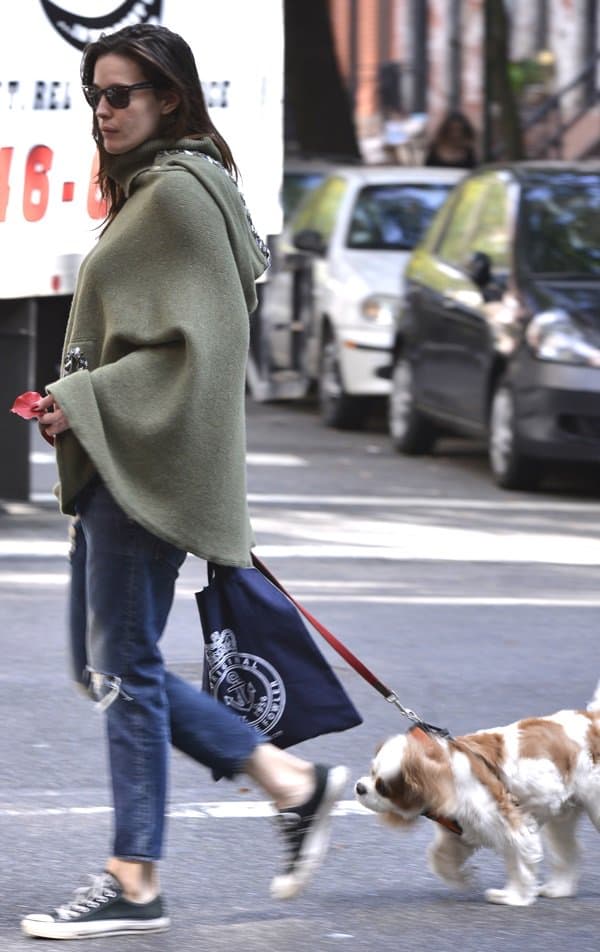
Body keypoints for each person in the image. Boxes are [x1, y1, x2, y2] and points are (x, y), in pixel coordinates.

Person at [21, 23, 347, 941]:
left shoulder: (176, 194)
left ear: (169, 96)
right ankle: (288, 782)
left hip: (144, 465)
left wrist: (81, 397)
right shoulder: (161, 189)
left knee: (122, 671)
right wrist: (74, 402)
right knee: (107, 667)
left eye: (121, 93)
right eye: (95, 95)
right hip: (120, 456)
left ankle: (135, 878)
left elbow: (199, 358)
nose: (104, 110)